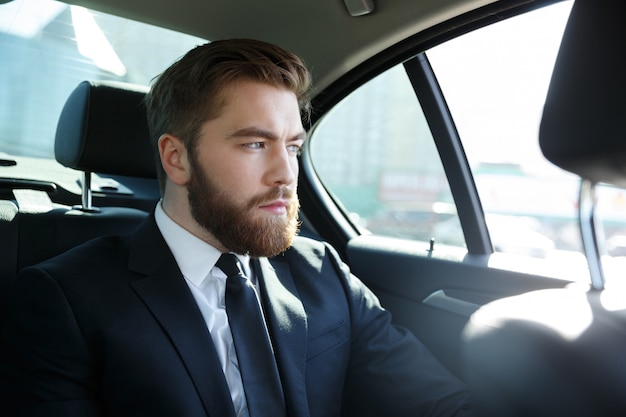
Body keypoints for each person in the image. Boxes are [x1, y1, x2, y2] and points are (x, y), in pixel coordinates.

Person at [0, 39, 473, 416]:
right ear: (177, 158)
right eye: (254, 144)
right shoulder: (65, 299)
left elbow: (438, 404)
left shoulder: (322, 271)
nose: (287, 174)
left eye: (291, 146)